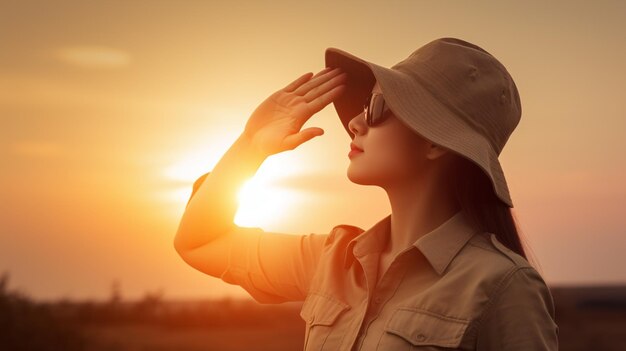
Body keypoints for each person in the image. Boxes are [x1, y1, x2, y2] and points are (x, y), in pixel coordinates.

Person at [174, 38, 559, 350]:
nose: (355, 122)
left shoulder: (502, 286)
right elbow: (198, 242)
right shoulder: (333, 261)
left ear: (436, 141)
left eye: (378, 106)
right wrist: (250, 145)